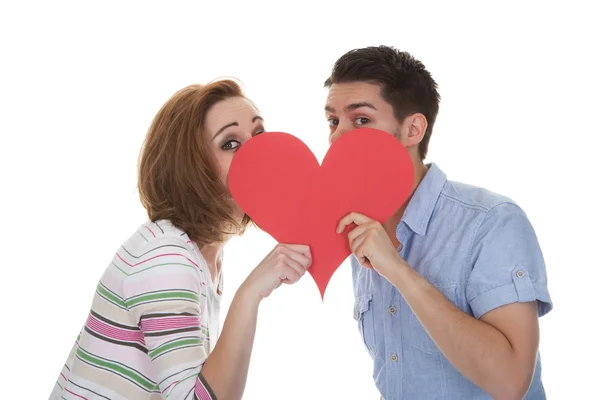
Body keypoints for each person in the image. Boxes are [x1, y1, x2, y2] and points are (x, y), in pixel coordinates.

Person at [49, 79, 312, 400]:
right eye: (230, 143)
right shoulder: (166, 257)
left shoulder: (202, 255)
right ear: (192, 169)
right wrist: (251, 292)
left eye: (259, 134)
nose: (259, 151)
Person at [325, 46, 552, 399]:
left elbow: (511, 382)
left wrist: (397, 270)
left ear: (413, 129)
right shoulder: (362, 230)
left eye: (361, 120)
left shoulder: (492, 222)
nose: (337, 137)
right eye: (333, 121)